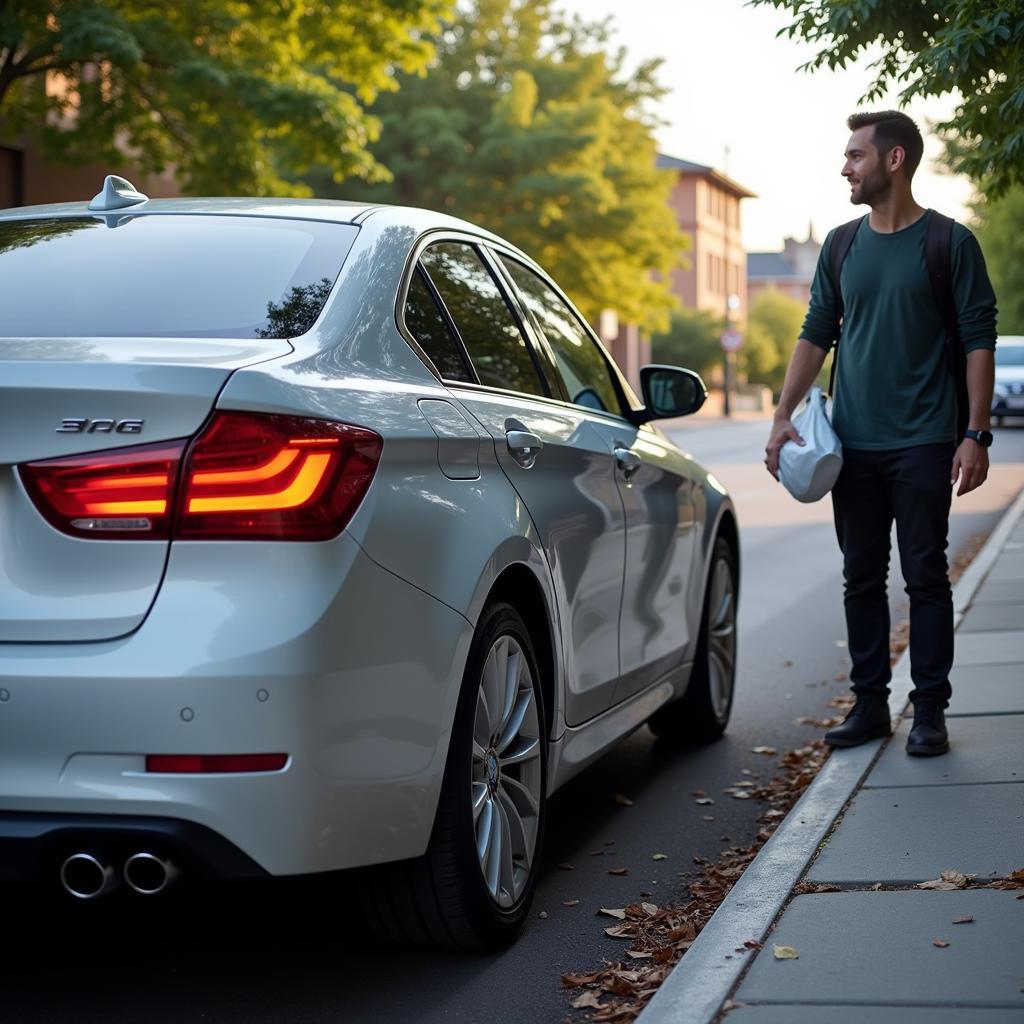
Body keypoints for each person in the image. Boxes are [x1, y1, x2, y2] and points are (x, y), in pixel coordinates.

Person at [765, 110, 997, 756]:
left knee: (925, 575)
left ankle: (929, 711)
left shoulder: (950, 243)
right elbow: (815, 334)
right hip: (853, 443)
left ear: (894, 160)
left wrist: (975, 433)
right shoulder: (841, 245)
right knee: (860, 576)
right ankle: (870, 705)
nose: (845, 167)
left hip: (925, 438)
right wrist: (784, 417)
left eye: (855, 156)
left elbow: (979, 340)